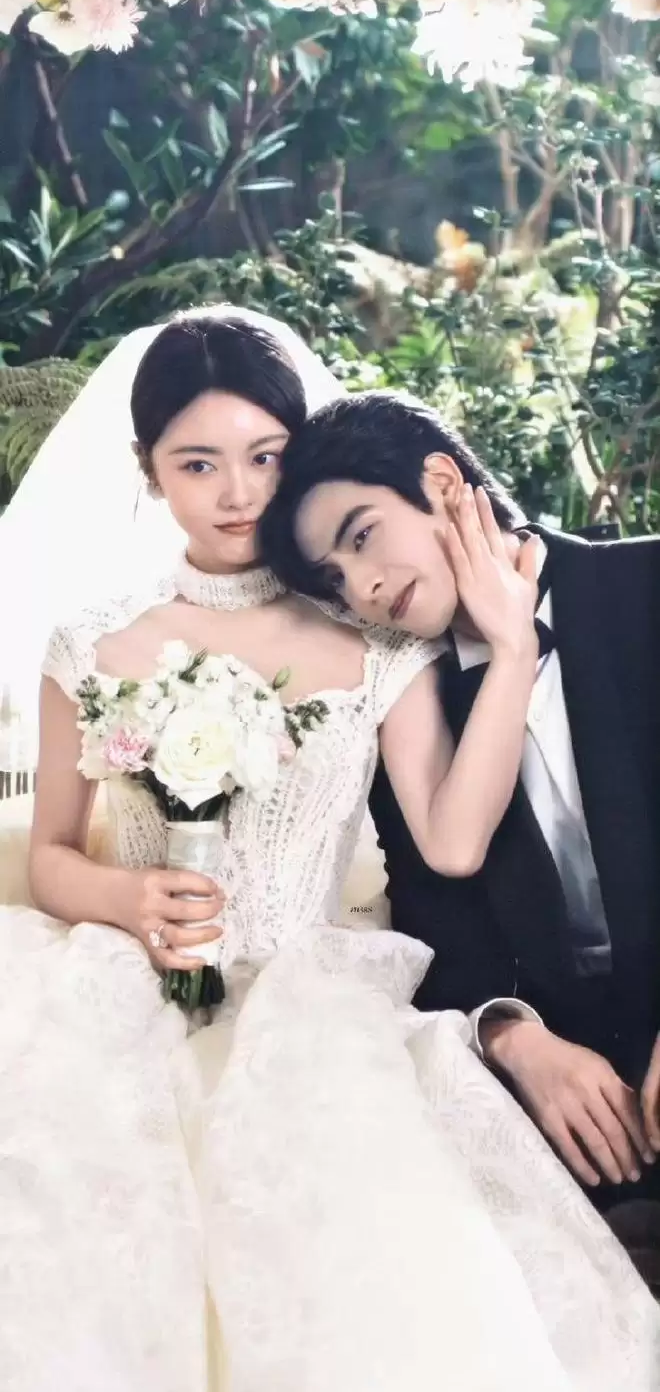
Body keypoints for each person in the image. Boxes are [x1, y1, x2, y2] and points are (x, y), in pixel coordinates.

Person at [0, 314, 657, 1392]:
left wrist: (507, 655)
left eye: (264, 456)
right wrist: (128, 897)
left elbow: (451, 842)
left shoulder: (380, 643)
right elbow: (52, 859)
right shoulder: (92, 640)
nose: (236, 493)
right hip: (130, 982)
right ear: (148, 471)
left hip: (310, 995)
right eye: (196, 464)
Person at [260, 387, 660, 1226]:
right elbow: (432, 920)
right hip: (570, 1086)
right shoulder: (409, 704)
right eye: (335, 580)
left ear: (442, 482)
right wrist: (512, 1035)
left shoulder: (643, 586)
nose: (364, 587)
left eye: (362, 536)